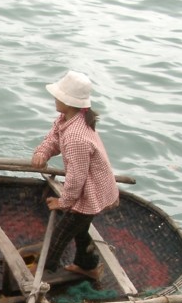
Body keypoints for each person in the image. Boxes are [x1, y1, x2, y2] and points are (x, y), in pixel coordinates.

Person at [31, 71, 119, 279]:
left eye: (58, 96)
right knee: (80, 231)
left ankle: (41, 271)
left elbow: (77, 179)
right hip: (92, 187)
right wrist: (43, 152)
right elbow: (54, 137)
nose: (55, 99)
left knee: (61, 234)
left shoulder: (76, 137)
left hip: (90, 193)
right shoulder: (68, 118)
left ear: (68, 102)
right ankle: (88, 266)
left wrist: (63, 202)